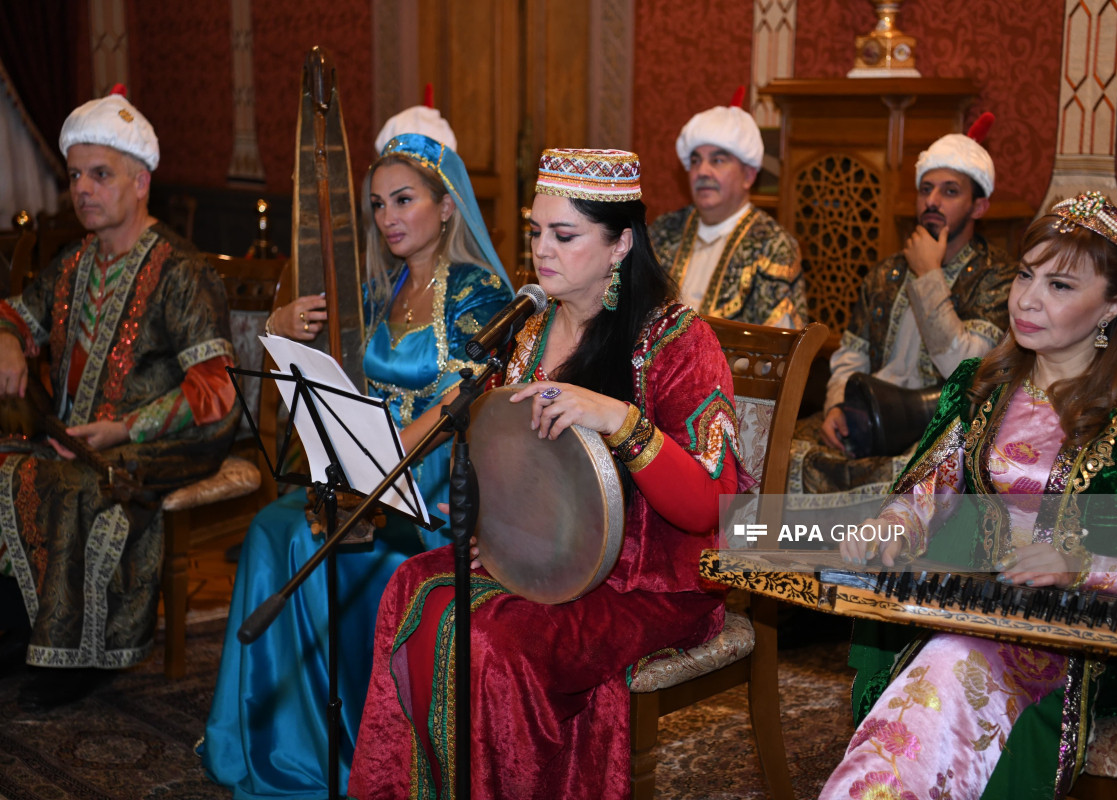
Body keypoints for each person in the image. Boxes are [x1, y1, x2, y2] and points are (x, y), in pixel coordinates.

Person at [349, 148, 753, 798]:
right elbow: (519, 470)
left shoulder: (678, 343)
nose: (543, 250)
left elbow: (712, 507)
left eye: (564, 235)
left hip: (649, 582)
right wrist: (492, 528)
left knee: (494, 645)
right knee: (412, 589)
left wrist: (619, 419)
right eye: (536, 233)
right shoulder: (528, 335)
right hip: (543, 562)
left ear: (621, 243)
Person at [822, 191, 1117, 799]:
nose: (1026, 298)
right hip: (974, 606)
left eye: (1060, 285)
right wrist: (892, 524)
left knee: (950, 669)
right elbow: (930, 488)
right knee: (946, 662)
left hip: (1088, 640)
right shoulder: (983, 387)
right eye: (1026, 274)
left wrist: (1081, 564)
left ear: (1114, 305)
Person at [200, 127, 513, 799]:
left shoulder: (478, 293)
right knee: (272, 530)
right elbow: (334, 385)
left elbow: (473, 390)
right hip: (363, 472)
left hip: (429, 482)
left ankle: (356, 758)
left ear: (446, 205)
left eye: (404, 200)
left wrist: (394, 457)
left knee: (336, 550)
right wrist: (279, 326)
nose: (388, 218)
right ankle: (289, 746)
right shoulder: (381, 289)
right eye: (377, 205)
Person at [0, 87, 238, 710]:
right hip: (77, 432)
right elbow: (17, 314)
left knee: (78, 487)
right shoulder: (74, 261)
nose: (83, 188)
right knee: (9, 465)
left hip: (169, 441)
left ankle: (81, 655)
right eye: (75, 174)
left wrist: (127, 428)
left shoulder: (182, 272)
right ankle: (20, 630)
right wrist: (7, 338)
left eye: (100, 174)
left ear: (140, 182)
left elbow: (216, 389)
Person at [789, 116, 1018, 499]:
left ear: (979, 207)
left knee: (908, 477)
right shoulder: (886, 272)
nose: (932, 201)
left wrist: (929, 274)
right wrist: (837, 409)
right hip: (868, 414)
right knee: (782, 452)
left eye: (949, 191)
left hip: (939, 424)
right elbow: (851, 356)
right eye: (926, 189)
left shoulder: (998, 277)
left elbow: (965, 370)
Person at [648, 94, 807, 327]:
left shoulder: (773, 245)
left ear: (749, 176)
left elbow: (778, 353)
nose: (702, 171)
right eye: (695, 161)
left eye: (718, 160)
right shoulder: (664, 230)